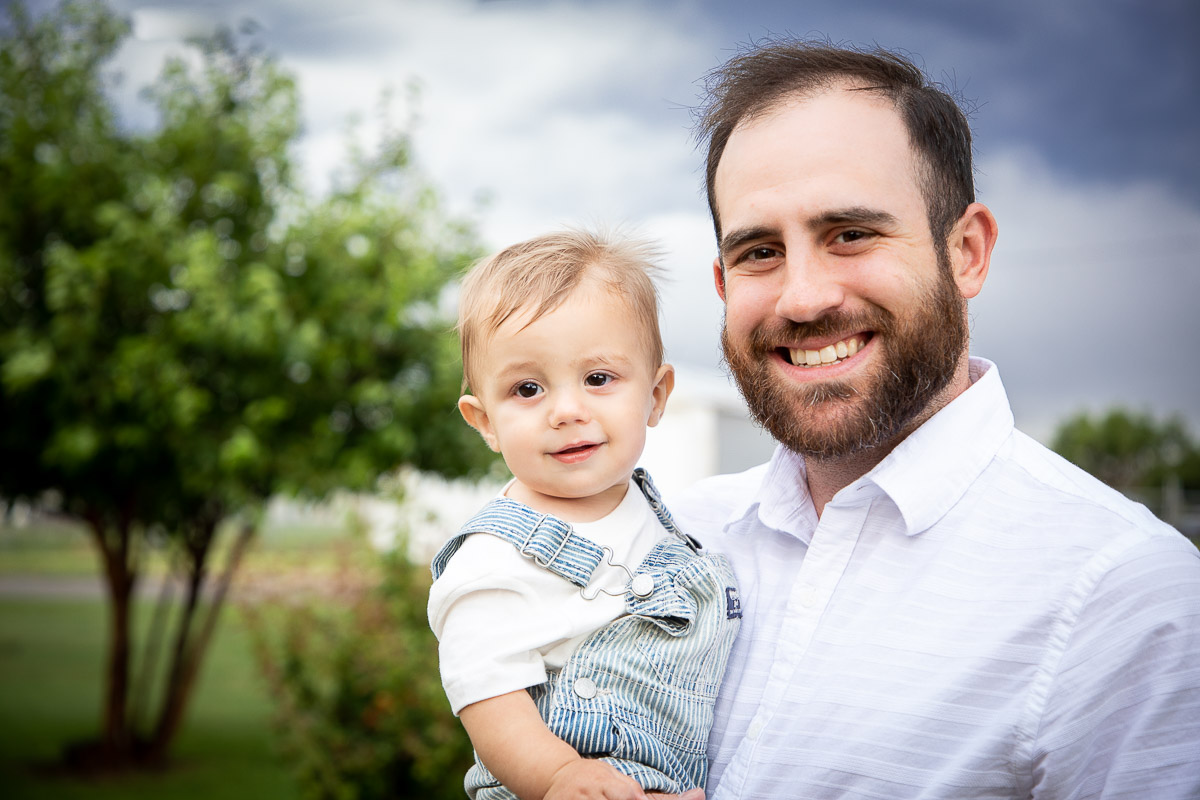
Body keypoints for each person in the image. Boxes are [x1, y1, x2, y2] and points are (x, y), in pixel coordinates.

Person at [665, 40, 1200, 799]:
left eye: (850, 233)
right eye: (759, 251)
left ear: (968, 252)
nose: (802, 298)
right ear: (722, 283)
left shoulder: (1127, 602)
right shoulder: (674, 538)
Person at [428, 229, 740, 800]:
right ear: (485, 422)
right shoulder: (492, 560)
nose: (566, 411)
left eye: (598, 379)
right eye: (527, 389)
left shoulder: (663, 518)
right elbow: (486, 693)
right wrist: (559, 776)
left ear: (655, 394)